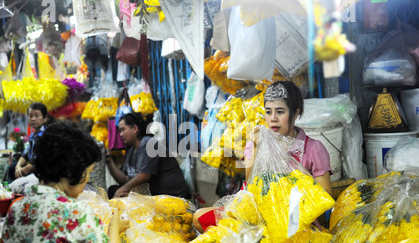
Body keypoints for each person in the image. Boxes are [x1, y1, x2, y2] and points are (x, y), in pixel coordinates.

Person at [2, 120, 130, 243]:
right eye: (89, 172)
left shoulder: (15, 211)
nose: (87, 180)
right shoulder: (75, 213)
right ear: (72, 171)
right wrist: (114, 228)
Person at [193, 81, 332, 233]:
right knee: (199, 217)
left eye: (280, 112)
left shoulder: (312, 148)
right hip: (255, 212)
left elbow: (325, 195)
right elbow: (250, 184)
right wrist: (254, 147)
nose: (273, 118)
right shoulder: (256, 142)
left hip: (293, 219)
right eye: (268, 111)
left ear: (296, 112)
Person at [106, 112, 190, 199]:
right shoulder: (132, 151)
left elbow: (144, 176)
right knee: (113, 190)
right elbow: (125, 179)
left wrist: (122, 190)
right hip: (151, 193)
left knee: (119, 193)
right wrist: (109, 161)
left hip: (170, 194)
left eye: (123, 130)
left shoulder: (149, 143)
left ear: (134, 129)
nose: (120, 134)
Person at [14, 102, 53, 179]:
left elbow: (48, 159)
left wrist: (30, 167)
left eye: (37, 115)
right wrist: (18, 166)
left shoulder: (48, 135)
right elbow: (25, 154)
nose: (33, 119)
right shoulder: (33, 136)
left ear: (45, 118)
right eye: (30, 116)